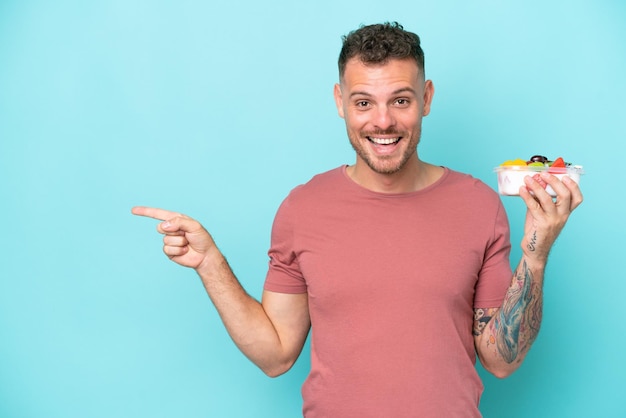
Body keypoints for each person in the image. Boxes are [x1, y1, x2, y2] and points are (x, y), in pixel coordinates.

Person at [132, 22, 583, 417]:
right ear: (340, 101)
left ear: (426, 99)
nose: (382, 122)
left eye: (400, 100)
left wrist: (536, 254)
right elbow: (275, 355)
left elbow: (501, 360)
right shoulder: (302, 208)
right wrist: (210, 263)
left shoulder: (478, 205)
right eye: (364, 102)